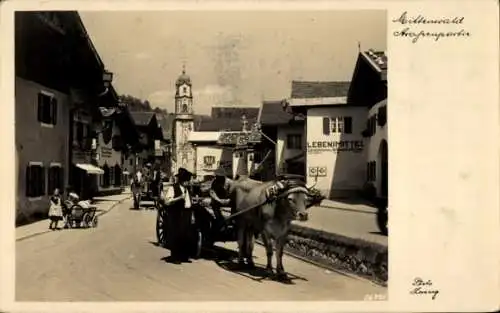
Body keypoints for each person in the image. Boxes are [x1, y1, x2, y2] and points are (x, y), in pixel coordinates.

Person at [161, 167, 194, 264]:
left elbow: (189, 202)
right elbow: (167, 201)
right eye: (187, 181)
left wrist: (191, 215)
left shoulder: (187, 189)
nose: (188, 182)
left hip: (186, 213)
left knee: (186, 235)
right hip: (177, 214)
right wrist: (179, 198)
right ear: (182, 180)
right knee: (177, 234)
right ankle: (174, 257)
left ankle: (184, 256)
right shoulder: (173, 188)